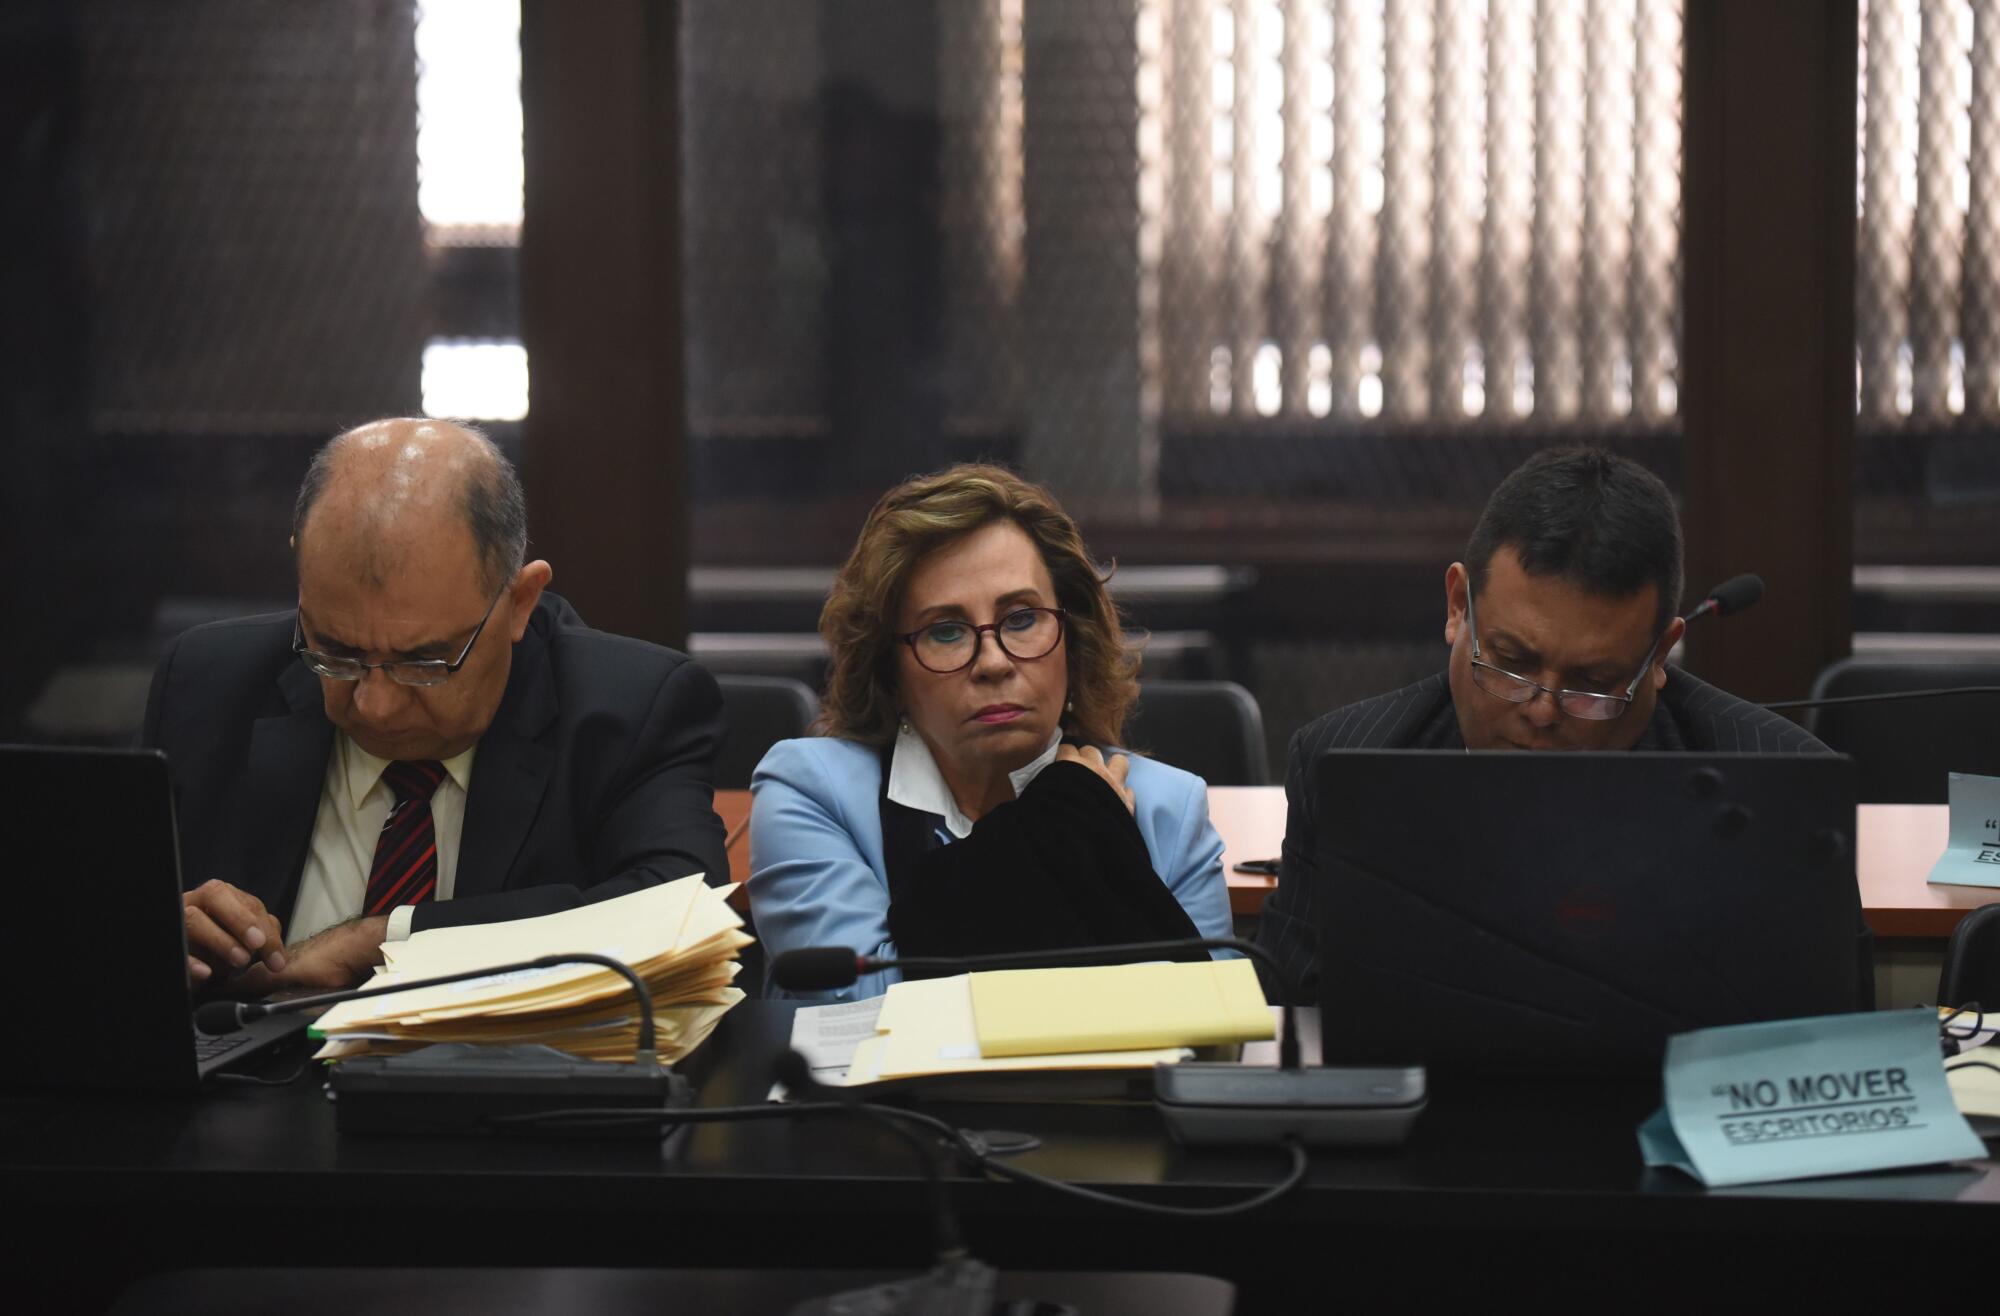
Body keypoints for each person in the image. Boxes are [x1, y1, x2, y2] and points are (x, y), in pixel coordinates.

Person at [146, 418, 728, 993]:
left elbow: (679, 909)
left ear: (521, 600)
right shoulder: (207, 682)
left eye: (423, 663)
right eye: (337, 654)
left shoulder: (631, 708)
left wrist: (383, 939)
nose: (376, 706)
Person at [1255, 445, 1835, 1002]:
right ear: (1458, 606)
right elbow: (1295, 1014)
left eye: (1594, 680)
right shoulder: (1346, 762)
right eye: (1510, 661)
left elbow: (1831, 1037)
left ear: (1658, 657)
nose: (1542, 710)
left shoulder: (1780, 784)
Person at [748, 464, 1233, 1001]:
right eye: (947, 631)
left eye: (1022, 619)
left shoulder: (1169, 807)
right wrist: (1059, 826)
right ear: (890, 671)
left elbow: (1211, 1032)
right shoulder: (813, 792)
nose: (994, 662)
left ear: (1072, 639)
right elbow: (863, 1013)